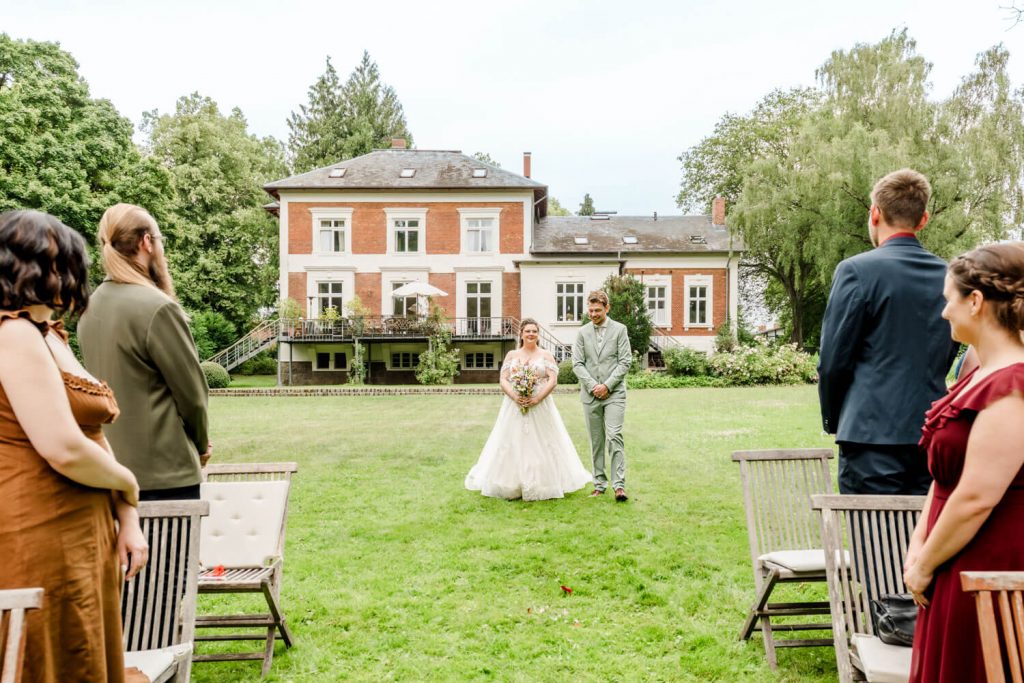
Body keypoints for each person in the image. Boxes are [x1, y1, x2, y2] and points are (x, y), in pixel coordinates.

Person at [0, 210, 147, 682]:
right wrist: (128, 484)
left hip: (85, 533)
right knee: (54, 658)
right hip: (39, 529)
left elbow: (91, 434)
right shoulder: (13, 335)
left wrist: (127, 516)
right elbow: (61, 447)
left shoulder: (49, 334)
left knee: (85, 654)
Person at [905, 242, 1024, 682]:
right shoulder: (978, 374)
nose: (944, 313)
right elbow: (945, 479)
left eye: (948, 300)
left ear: (975, 301)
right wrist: (919, 547)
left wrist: (923, 564)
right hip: (950, 552)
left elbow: (976, 496)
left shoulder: (1014, 385)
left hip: (988, 560)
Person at [818, 169, 958, 495]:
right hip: (932, 432)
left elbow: (833, 361)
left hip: (868, 434)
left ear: (875, 213)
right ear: (923, 219)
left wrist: (834, 419)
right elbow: (950, 349)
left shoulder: (855, 271)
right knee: (925, 542)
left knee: (872, 542)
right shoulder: (951, 276)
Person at [77, 203, 211, 500]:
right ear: (146, 242)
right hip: (166, 475)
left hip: (110, 472)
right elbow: (193, 396)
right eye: (160, 241)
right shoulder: (158, 308)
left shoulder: (90, 308)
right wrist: (201, 446)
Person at [465, 319, 591, 500]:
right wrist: (515, 397)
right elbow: (503, 379)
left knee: (544, 441)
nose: (531, 334)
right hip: (514, 404)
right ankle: (510, 483)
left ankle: (545, 482)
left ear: (538, 334)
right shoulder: (512, 354)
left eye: (534, 331)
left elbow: (552, 380)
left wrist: (537, 398)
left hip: (541, 404)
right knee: (511, 440)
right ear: (522, 334)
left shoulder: (546, 355)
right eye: (527, 331)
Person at [572, 290, 633, 501]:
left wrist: (606, 385)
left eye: (598, 310)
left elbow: (625, 361)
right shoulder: (582, 333)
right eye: (590, 310)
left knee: (614, 436)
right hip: (590, 395)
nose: (594, 314)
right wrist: (593, 386)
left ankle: (619, 486)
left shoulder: (620, 330)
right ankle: (599, 483)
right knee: (596, 441)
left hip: (614, 393)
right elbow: (577, 364)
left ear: (607, 308)